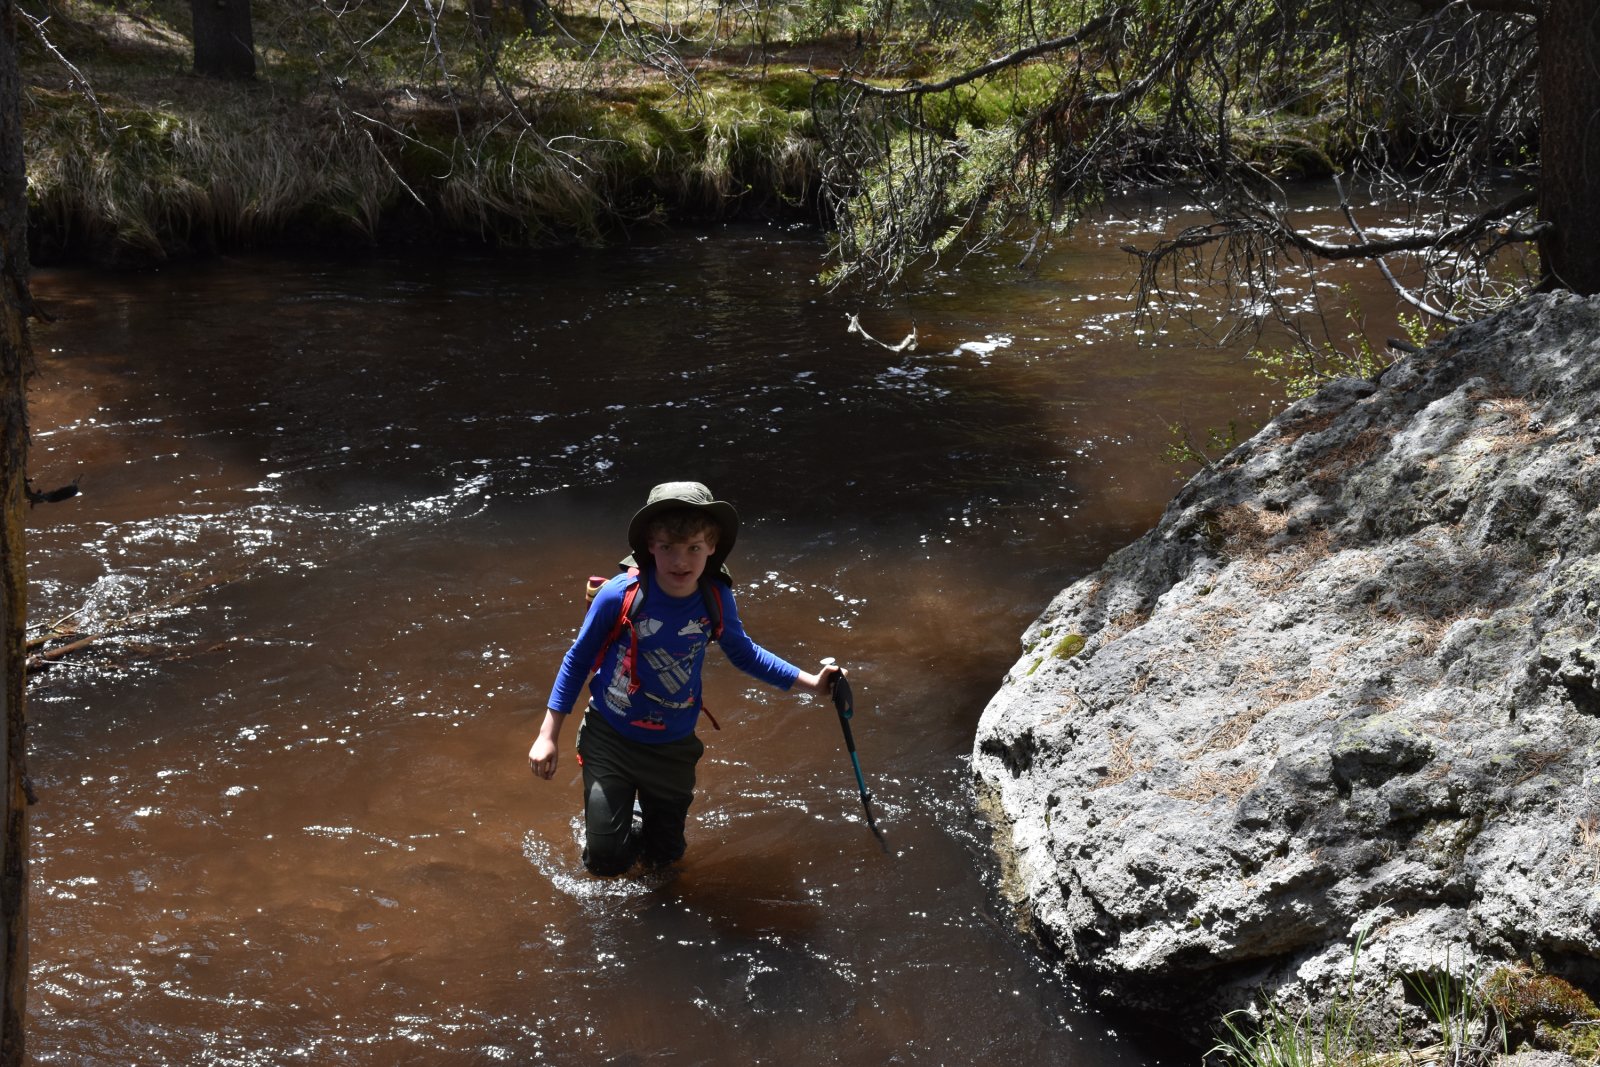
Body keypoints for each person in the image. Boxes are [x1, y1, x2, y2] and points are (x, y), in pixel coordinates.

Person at [528, 481, 841, 876]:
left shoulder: (714, 599)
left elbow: (744, 653)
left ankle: (638, 814)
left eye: (693, 547)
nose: (681, 560)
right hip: (611, 734)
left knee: (665, 860)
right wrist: (547, 735)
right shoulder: (620, 594)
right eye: (668, 547)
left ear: (712, 547)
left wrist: (813, 683)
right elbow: (578, 660)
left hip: (672, 745)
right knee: (607, 861)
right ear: (650, 546)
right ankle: (614, 820)